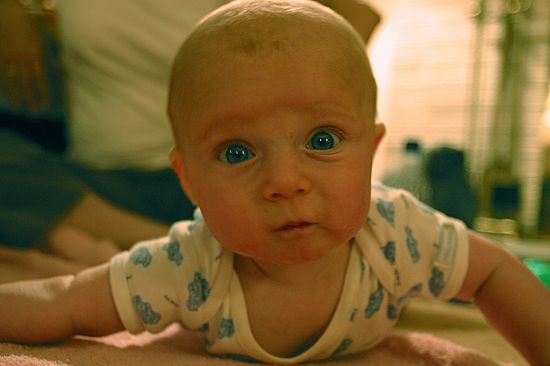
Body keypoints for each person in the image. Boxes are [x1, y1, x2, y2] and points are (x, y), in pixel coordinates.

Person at [1, 1, 549, 364]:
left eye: (324, 140)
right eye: (237, 151)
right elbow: (65, 301)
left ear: (373, 152)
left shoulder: (399, 233)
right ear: (189, 181)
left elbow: (493, 271)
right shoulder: (189, 267)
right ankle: (93, 245)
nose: (285, 182)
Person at [0, 0, 380, 272]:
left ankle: (165, 254)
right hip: (98, 186)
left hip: (231, 178)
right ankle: (179, 250)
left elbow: (360, 16)